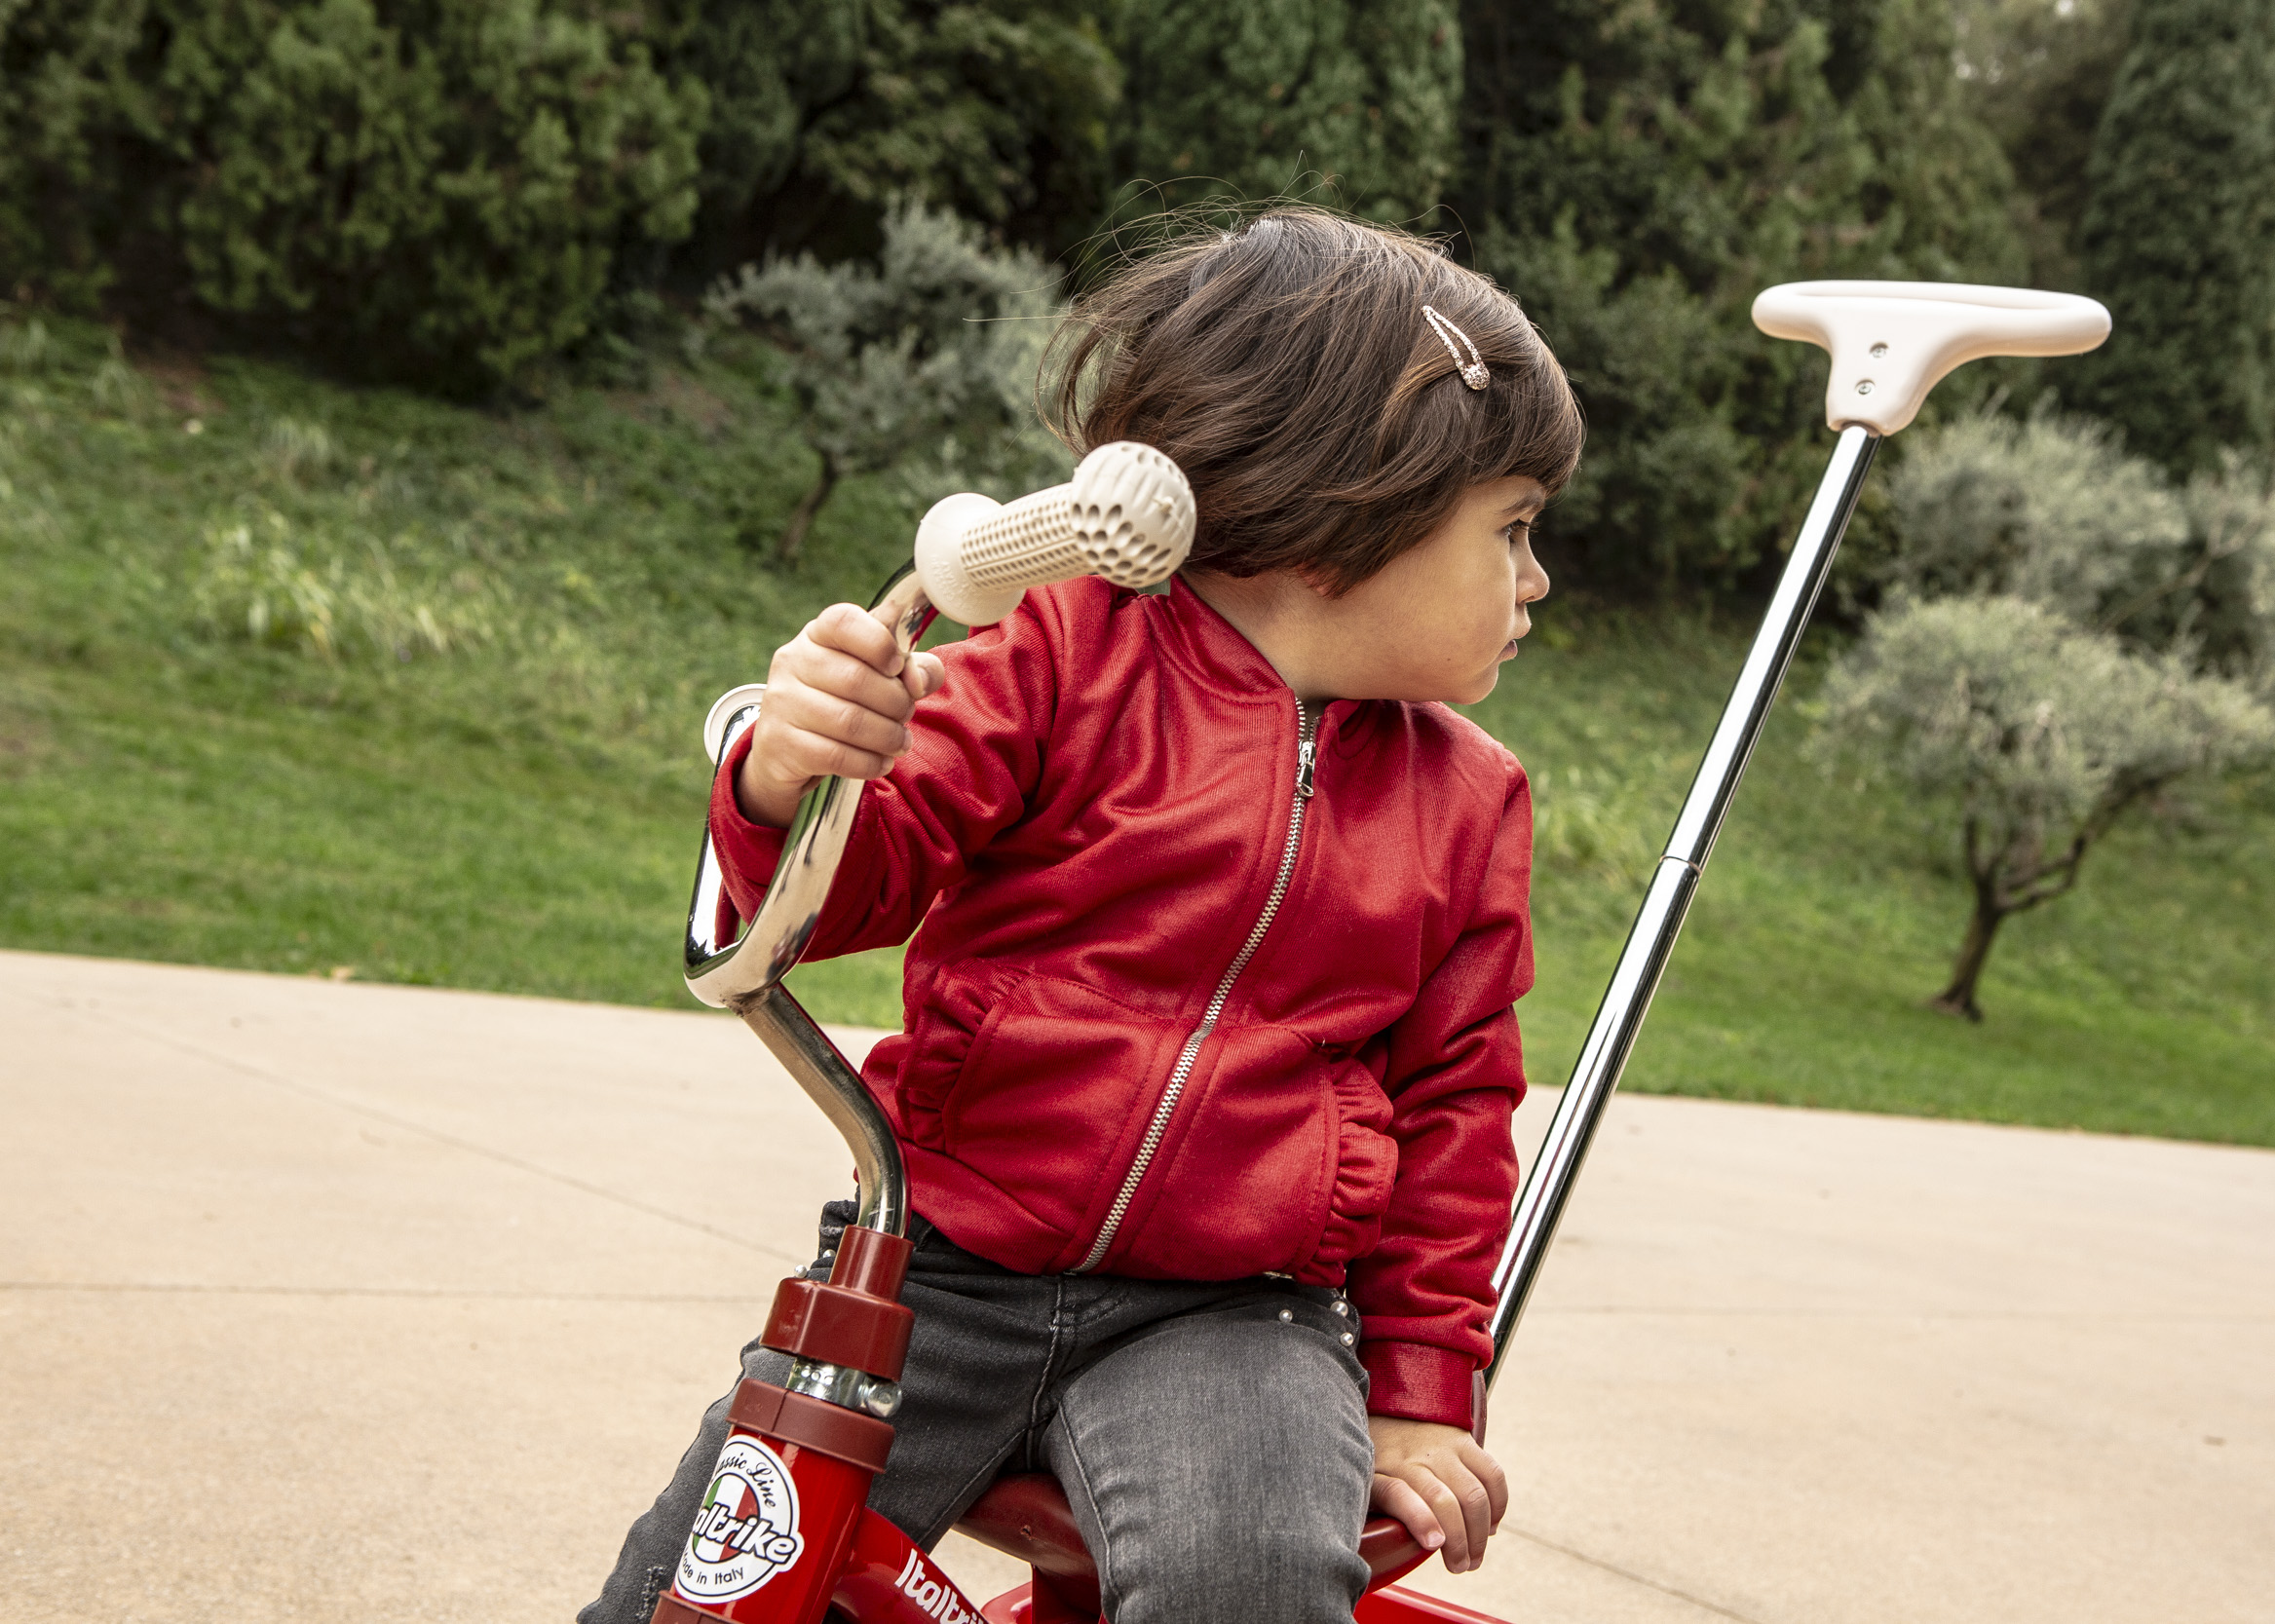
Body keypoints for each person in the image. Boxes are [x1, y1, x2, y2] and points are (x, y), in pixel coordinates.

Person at [581, 207, 1582, 1624]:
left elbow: (1454, 1108)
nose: (1537, 581)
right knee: (721, 1570)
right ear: (1344, 519)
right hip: (947, 1257)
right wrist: (795, 767)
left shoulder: (1467, 800)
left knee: (1254, 1575)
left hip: (1236, 1313)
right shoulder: (1059, 660)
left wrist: (1422, 1398)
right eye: (1516, 530)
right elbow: (853, 881)